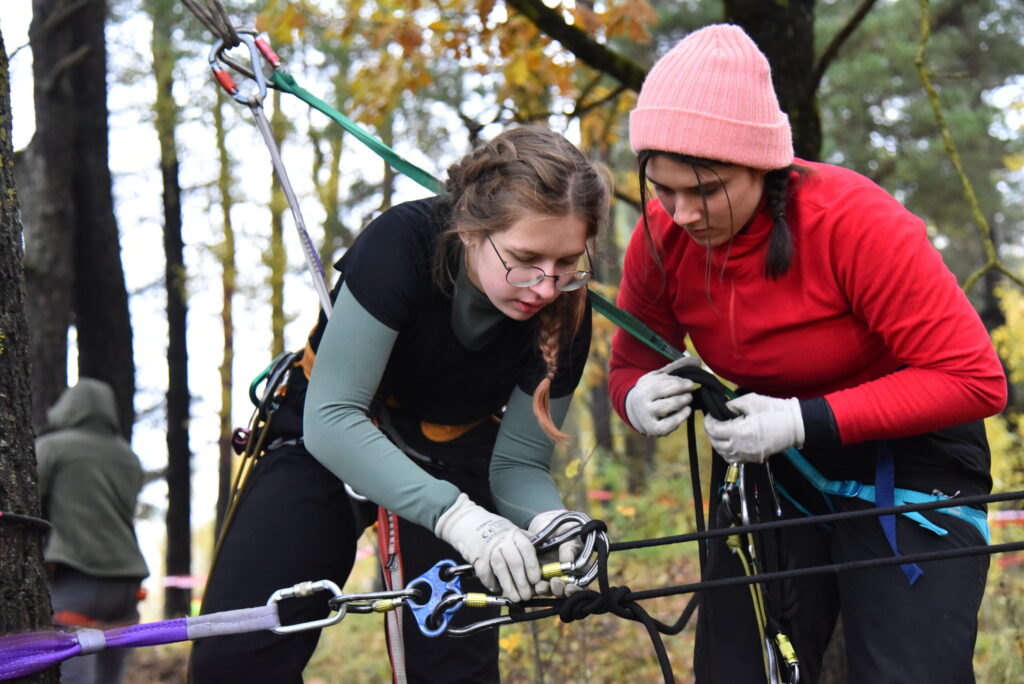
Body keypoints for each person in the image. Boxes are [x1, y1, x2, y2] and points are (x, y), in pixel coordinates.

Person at [608, 24, 1007, 684]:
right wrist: (634, 399)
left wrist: (803, 419)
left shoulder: (854, 223)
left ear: (761, 165)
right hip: (772, 464)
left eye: (704, 191)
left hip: (909, 458)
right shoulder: (660, 239)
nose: (680, 213)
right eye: (663, 188)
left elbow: (974, 380)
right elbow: (629, 364)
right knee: (738, 671)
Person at [190, 125, 611, 683]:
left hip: (455, 451)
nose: (544, 286)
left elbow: (519, 465)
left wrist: (549, 522)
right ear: (469, 231)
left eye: (566, 264)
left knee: (454, 668)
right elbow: (332, 418)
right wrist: (461, 519)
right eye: (525, 258)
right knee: (236, 659)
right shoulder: (401, 245)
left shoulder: (567, 312)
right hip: (323, 439)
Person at [35, 378, 150, 684]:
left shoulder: (52, 448)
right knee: (109, 679)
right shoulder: (128, 457)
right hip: (127, 584)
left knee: (73, 677)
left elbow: (28, 503)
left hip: (78, 580)